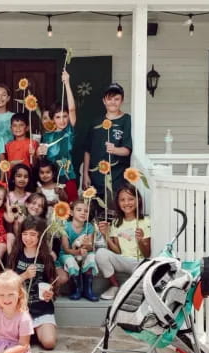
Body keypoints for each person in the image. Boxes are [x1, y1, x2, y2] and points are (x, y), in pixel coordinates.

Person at [8, 217, 57, 350]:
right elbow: (6, 284)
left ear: (41, 236)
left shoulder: (46, 258)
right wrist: (25, 275)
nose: (28, 238)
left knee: (49, 343)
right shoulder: (15, 255)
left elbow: (51, 283)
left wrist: (50, 293)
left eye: (33, 234)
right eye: (25, 234)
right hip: (20, 310)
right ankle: (30, 332)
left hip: (42, 309)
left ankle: (34, 331)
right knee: (16, 343)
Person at [96, 184, 151, 300]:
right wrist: (105, 235)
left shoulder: (145, 221)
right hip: (122, 260)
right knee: (101, 252)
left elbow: (147, 254)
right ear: (118, 203)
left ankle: (129, 289)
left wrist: (140, 240)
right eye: (122, 200)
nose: (126, 203)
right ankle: (114, 285)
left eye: (131, 199)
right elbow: (117, 250)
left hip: (139, 262)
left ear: (138, 200)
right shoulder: (116, 223)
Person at [83, 83, 132, 198]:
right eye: (109, 99)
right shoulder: (96, 123)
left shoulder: (127, 120)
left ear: (122, 101)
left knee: (114, 211)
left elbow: (127, 150)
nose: (113, 102)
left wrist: (115, 150)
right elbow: (87, 150)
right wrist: (85, 174)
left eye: (116, 99)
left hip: (117, 178)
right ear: (104, 101)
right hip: (96, 178)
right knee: (97, 212)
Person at [38, 70, 79, 202]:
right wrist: (38, 153)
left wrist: (67, 83)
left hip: (67, 177)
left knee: (70, 209)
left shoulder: (68, 132)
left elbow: (72, 108)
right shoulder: (46, 137)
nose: (62, 120)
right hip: (49, 180)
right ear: (52, 119)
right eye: (58, 117)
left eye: (65, 116)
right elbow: (42, 160)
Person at [58, 199, 99, 301]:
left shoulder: (89, 227)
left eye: (86, 211)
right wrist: (78, 252)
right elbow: (66, 249)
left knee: (91, 256)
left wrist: (87, 244)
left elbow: (90, 247)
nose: (83, 213)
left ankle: (88, 289)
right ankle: (76, 288)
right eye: (79, 210)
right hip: (69, 254)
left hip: (83, 253)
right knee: (70, 261)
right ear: (72, 212)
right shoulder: (65, 227)